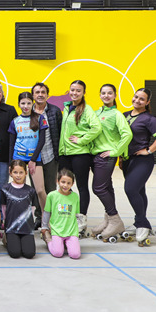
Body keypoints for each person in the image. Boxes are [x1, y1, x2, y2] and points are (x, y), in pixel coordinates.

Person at [121, 88, 156, 246]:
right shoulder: (125, 115)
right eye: (136, 97)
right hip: (127, 160)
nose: (137, 100)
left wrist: (149, 150)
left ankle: (143, 224)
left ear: (147, 102)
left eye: (142, 99)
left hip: (142, 160)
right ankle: (138, 222)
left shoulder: (149, 118)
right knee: (140, 191)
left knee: (131, 189)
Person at [89, 84, 132, 241]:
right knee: (106, 186)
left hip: (106, 156)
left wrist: (116, 152)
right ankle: (108, 219)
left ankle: (115, 219)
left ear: (114, 95)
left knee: (98, 188)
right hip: (95, 155)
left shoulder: (116, 114)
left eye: (109, 93)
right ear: (99, 95)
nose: (106, 95)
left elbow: (127, 134)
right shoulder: (95, 113)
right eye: (103, 93)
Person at [58, 80, 101, 236]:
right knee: (63, 187)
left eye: (78, 91)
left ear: (83, 93)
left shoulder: (87, 109)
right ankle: (64, 216)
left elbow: (96, 127)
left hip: (80, 154)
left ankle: (81, 221)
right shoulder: (66, 107)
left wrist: (81, 140)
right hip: (64, 154)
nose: (74, 93)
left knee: (82, 187)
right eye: (72, 90)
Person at [7, 91, 48, 223]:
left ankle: (46, 220)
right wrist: (11, 163)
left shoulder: (40, 118)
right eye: (23, 103)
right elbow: (11, 144)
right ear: (19, 104)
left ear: (33, 103)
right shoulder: (15, 121)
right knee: (19, 192)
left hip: (35, 159)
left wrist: (33, 160)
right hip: (18, 159)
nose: (26, 106)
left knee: (40, 190)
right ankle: (21, 219)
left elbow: (42, 141)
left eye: (28, 103)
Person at [31, 82, 63, 227]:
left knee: (50, 189)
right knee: (37, 189)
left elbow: (60, 132)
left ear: (47, 95)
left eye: (43, 92)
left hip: (50, 155)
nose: (40, 94)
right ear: (33, 95)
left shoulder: (55, 111)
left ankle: (51, 217)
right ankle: (39, 216)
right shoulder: (27, 111)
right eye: (37, 92)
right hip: (33, 158)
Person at [41, 168, 81, 259]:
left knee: (75, 255)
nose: (65, 185)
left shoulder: (75, 196)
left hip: (71, 230)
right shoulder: (52, 195)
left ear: (72, 184)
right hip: (57, 230)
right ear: (57, 181)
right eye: (63, 182)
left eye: (68, 183)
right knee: (58, 253)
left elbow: (77, 215)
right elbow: (47, 212)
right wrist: (44, 227)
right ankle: (48, 239)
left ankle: (66, 243)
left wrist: (78, 229)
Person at [2, 160, 37, 259]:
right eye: (15, 172)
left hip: (26, 227)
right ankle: (7, 238)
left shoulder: (30, 190)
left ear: (26, 173)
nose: (18, 175)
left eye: (21, 172)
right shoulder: (5, 188)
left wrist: (30, 223)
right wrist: (6, 225)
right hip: (11, 227)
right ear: (10, 173)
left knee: (29, 254)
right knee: (15, 253)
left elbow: (33, 209)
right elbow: (4, 208)